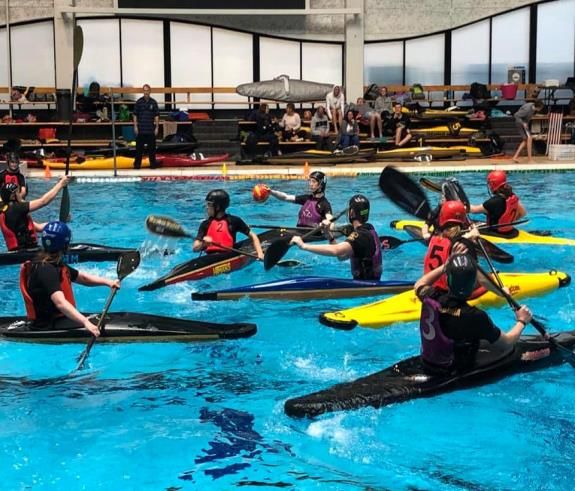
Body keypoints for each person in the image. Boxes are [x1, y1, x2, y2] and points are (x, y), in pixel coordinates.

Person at [415, 250, 533, 373]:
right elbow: (507, 342)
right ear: (473, 286)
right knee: (507, 349)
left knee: (479, 336)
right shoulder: (475, 316)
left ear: (448, 280)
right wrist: (522, 321)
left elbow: (419, 283)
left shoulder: (432, 296)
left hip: (428, 359)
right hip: (452, 367)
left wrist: (445, 265)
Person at [19, 221, 118, 335]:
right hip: (48, 324)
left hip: (57, 319)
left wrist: (108, 282)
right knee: (94, 321)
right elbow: (60, 303)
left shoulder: (52, 263)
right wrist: (86, 322)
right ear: (65, 245)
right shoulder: (47, 270)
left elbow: (82, 278)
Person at [290, 194, 382, 280]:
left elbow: (336, 250)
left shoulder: (360, 236)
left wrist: (304, 246)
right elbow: (341, 256)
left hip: (365, 287)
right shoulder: (369, 231)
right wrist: (328, 234)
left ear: (352, 213)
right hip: (367, 283)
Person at [422, 200, 479, 293]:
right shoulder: (463, 244)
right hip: (449, 293)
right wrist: (472, 241)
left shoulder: (433, 238)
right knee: (487, 278)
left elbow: (450, 240)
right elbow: (473, 275)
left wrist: (467, 237)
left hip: (428, 288)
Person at [0, 176, 69, 251]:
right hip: (25, 251)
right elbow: (43, 201)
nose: (20, 194)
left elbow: (39, 227)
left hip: (21, 251)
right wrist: (60, 184)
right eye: (18, 192)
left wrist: (59, 222)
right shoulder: (15, 208)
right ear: (13, 196)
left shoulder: (8, 211)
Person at [193, 189, 264, 260]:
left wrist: (260, 253)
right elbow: (195, 249)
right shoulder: (205, 224)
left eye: (209, 204)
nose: (206, 207)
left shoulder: (234, 221)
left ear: (217, 207)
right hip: (210, 258)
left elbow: (253, 235)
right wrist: (203, 243)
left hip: (228, 256)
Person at [266, 171, 334, 230]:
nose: (310, 184)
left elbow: (331, 221)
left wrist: (327, 223)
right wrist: (271, 192)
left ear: (321, 185)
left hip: (314, 235)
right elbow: (285, 197)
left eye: (313, 181)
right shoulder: (306, 198)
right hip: (299, 231)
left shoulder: (324, 204)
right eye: (310, 181)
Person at [469, 170, 526, 238]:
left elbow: (473, 210)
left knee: (469, 228)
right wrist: (508, 223)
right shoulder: (512, 196)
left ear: (493, 184)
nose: (489, 186)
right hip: (510, 231)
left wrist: (462, 206)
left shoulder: (493, 202)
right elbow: (523, 213)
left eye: (490, 184)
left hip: (497, 233)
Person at [132, 84, 160, 169]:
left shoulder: (153, 102)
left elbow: (156, 115)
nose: (146, 92)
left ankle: (153, 165)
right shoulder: (139, 102)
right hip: (141, 129)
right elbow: (135, 115)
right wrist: (135, 126)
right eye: (145, 90)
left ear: (150, 91)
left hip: (150, 129)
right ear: (143, 91)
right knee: (139, 150)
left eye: (147, 90)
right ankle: (137, 166)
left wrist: (157, 127)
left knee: (152, 150)